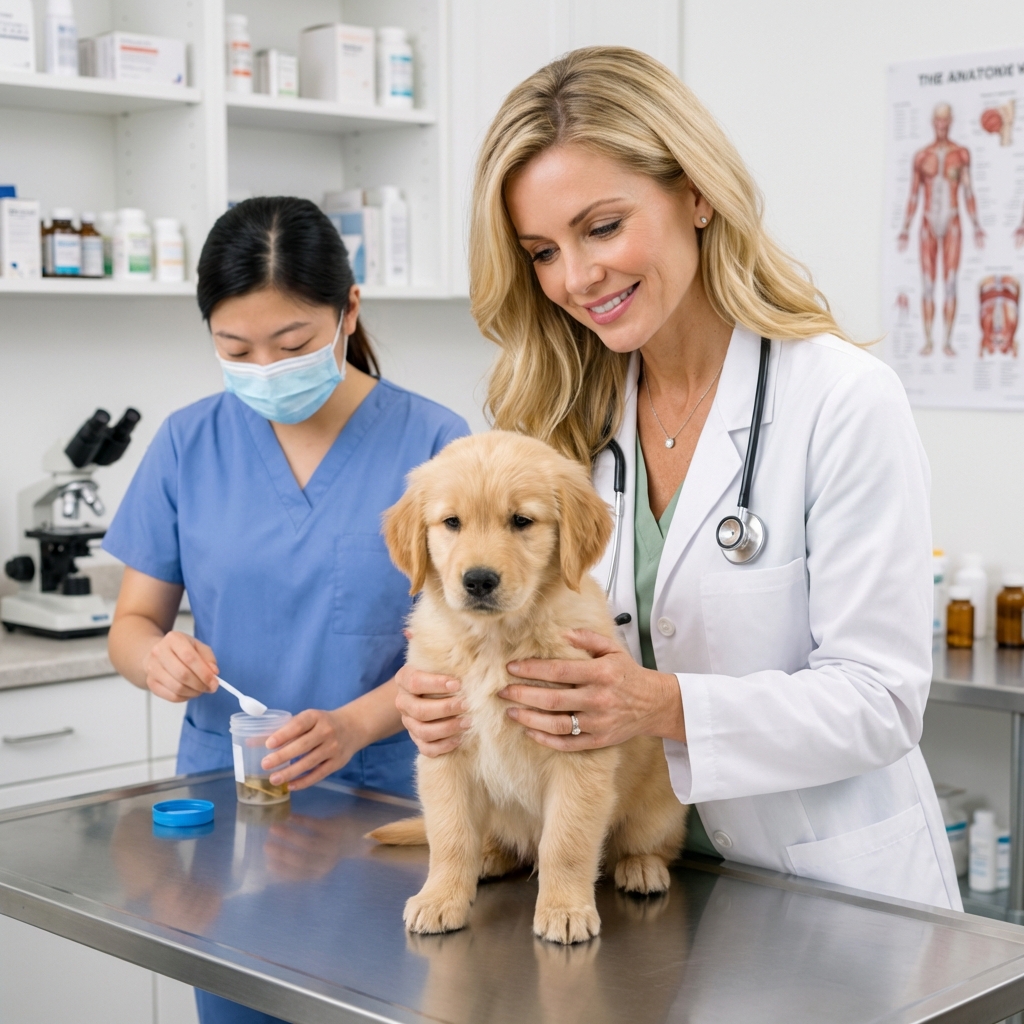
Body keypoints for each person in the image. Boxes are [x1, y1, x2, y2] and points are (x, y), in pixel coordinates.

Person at [395, 47, 961, 911]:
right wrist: (440, 700)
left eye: (603, 227)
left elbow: (880, 702)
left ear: (696, 193)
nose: (577, 279)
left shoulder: (842, 399)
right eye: (542, 250)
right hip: (630, 887)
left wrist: (655, 705)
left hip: (816, 888)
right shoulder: (562, 419)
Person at [105, 196, 468, 1023]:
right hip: (229, 822)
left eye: (294, 344)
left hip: (395, 814)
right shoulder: (187, 443)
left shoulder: (435, 445)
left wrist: (352, 726)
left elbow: (462, 648)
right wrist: (153, 655)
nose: (265, 367)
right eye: (236, 349)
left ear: (348, 312)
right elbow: (132, 626)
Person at [897, 102, 985, 357]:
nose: (942, 125)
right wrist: (905, 228)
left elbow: (968, 190)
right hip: (927, 223)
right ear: (933, 122)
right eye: (938, 120)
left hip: (954, 223)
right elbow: (913, 194)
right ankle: (927, 340)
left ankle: (946, 341)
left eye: (946, 120)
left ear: (951, 121)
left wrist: (977, 224)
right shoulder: (922, 156)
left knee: (949, 284)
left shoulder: (961, 154)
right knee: (927, 284)